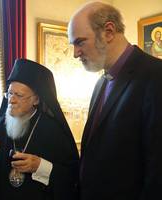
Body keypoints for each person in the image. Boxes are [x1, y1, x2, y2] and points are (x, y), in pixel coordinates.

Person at [68, 2, 162, 200]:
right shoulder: (100, 83)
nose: (75, 53)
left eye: (80, 42)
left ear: (108, 31)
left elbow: (157, 173)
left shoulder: (155, 76)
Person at [0, 58, 79, 200]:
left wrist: (41, 167)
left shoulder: (54, 131)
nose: (11, 100)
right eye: (9, 93)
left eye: (19, 95)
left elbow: (71, 177)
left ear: (36, 100)